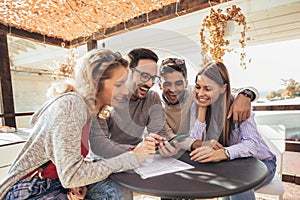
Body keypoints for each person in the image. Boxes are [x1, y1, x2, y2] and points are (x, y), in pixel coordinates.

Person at [0, 49, 156, 200]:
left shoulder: (87, 110)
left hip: (57, 182)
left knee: (116, 190)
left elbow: (70, 168)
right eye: (119, 84)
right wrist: (133, 157)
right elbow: (72, 176)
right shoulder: (71, 105)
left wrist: (75, 179)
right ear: (96, 82)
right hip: (28, 189)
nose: (126, 91)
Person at [189, 62, 276, 200]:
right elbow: (195, 140)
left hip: (261, 164)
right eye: (198, 87)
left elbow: (252, 145)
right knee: (226, 187)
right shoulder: (198, 105)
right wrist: (202, 110)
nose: (200, 93)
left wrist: (224, 152)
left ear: (223, 88)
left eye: (208, 88)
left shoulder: (239, 105)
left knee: (237, 187)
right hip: (231, 166)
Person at [89, 48, 178, 159]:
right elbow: (99, 144)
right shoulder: (106, 98)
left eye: (153, 78)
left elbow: (159, 132)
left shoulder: (152, 97)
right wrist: (135, 151)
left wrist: (164, 144)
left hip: (139, 158)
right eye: (145, 76)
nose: (150, 84)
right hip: (106, 161)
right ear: (128, 71)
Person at [159, 57, 259, 151]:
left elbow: (234, 91)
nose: (173, 89)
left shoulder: (195, 94)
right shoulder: (158, 107)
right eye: (167, 84)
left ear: (186, 83)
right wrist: (202, 107)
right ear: (159, 84)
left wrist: (246, 94)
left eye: (178, 83)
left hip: (254, 160)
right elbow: (170, 138)